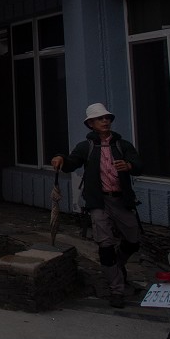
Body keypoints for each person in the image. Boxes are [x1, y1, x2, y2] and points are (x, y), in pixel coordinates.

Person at [51, 102, 144, 309]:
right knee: (105, 243)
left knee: (133, 239)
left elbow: (138, 165)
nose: (105, 121)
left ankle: (117, 266)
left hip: (121, 199)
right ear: (91, 124)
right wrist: (60, 159)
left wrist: (128, 165)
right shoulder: (86, 147)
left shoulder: (122, 145)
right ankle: (116, 289)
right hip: (99, 201)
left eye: (107, 118)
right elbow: (72, 163)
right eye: (100, 119)